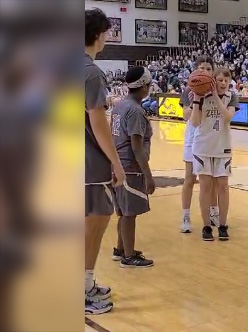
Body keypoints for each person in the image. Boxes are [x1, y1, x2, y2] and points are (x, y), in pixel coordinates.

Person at [85, 7, 125, 315]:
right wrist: (116, 161)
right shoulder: (90, 71)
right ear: (98, 35)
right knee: (95, 222)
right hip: (88, 161)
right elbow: (98, 123)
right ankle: (82, 289)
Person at [110, 67, 155, 268]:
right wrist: (149, 176)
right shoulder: (135, 111)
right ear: (144, 87)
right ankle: (128, 256)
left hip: (117, 164)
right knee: (129, 214)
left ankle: (121, 249)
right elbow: (137, 147)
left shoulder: (120, 105)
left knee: (123, 211)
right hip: (130, 167)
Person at [190, 68, 240, 241]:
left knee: (223, 186)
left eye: (226, 80)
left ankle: (223, 225)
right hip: (202, 147)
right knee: (205, 187)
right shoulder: (199, 95)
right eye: (220, 80)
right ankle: (206, 226)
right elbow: (195, 122)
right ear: (213, 81)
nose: (223, 83)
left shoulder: (231, 96)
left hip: (222, 147)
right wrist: (197, 100)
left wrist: (216, 97)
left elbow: (227, 117)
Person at [179, 57, 219, 233]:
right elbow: (185, 115)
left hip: (211, 136)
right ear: (195, 70)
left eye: (208, 68)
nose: (205, 71)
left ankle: (213, 212)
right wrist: (196, 101)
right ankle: (186, 215)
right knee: (190, 178)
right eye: (201, 68)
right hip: (193, 137)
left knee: (211, 181)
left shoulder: (218, 89)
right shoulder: (189, 88)